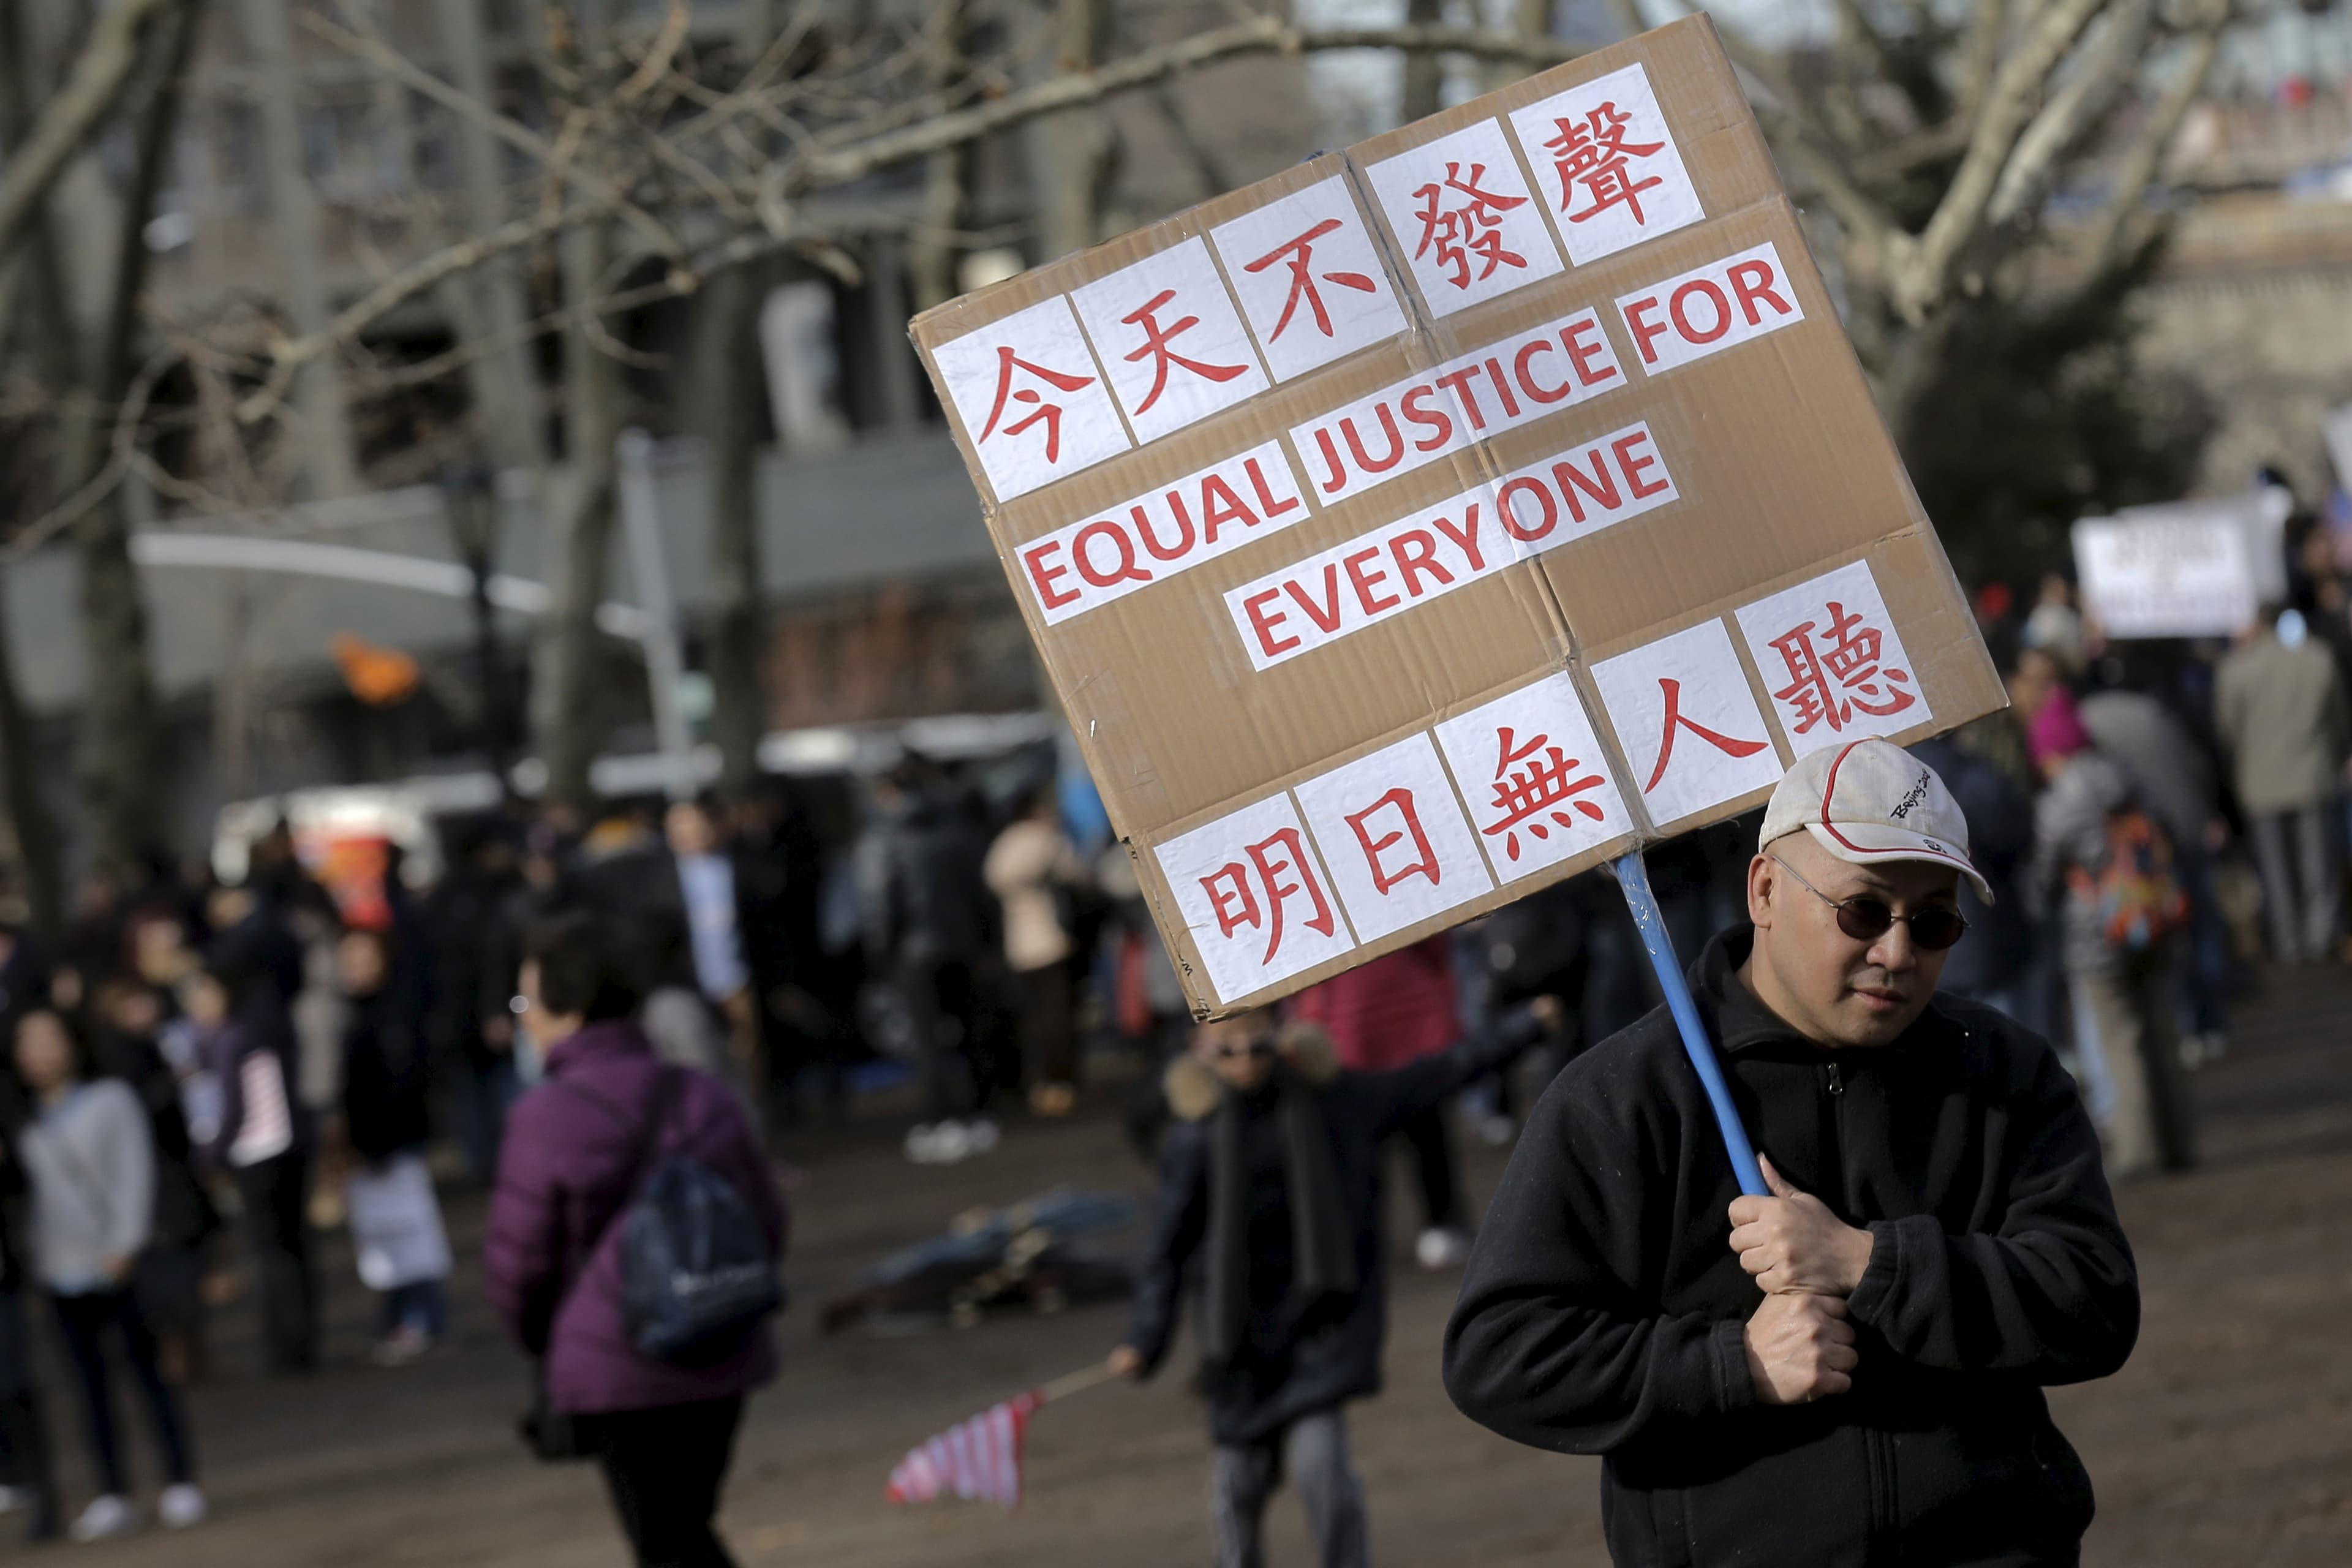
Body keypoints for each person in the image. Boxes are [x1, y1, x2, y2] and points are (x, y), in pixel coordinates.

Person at [1444, 738, 2139, 1567]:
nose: (1897, 953)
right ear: (1766, 889)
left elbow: (2093, 1304)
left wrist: (1873, 1263)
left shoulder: (2004, 1070)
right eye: (1864, 911)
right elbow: (1502, 1351)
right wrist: (1735, 1368)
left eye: (1934, 921)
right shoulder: (1625, 1097)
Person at [1106, 992, 1561, 1568]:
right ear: (1202, 1054)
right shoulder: (1194, 1138)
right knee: (1239, 1485)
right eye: (1229, 1052)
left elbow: (1438, 1073)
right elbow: (1166, 1250)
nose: (1245, 1061)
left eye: (1258, 1046)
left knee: (1323, 1470)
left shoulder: (1335, 1102)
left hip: (1318, 1326)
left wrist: (1525, 1025)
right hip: (1238, 1341)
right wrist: (1144, 1341)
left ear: (1283, 1037)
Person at [485, 913, 786, 1568]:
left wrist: (549, 1340)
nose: (523, 1019)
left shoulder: (545, 1116)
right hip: (721, 1341)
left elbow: (521, 1263)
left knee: (668, 1538)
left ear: (565, 1008)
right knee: (685, 1525)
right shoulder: (701, 1094)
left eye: (525, 1001)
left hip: (617, 1362)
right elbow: (765, 1219)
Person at [13, 1009, 205, 1541]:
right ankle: (111, 1492)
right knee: (86, 1389)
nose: (39, 1052)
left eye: (48, 1039)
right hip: (59, 1270)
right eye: (28, 1042)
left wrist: (124, 1244)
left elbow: (134, 1173)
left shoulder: (111, 1100)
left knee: (148, 1376)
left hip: (118, 1264)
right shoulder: (21, 1119)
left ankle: (179, 1480)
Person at [2029, 692, 2198, 1178]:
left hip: (2097, 934)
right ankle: (2181, 1138)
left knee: (2121, 1039)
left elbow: (2044, 876)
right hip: (2153, 917)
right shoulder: (2126, 777)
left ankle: (2140, 1149)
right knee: (2164, 1031)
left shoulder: (2059, 802)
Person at [1286, 937, 1476, 1270]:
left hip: (1368, 1026)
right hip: (1380, 1024)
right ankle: (1437, 1224)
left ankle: (1429, 1226)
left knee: (1411, 1136)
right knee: (1420, 1136)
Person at [854, 761, 1002, 1164]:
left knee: (926, 1042)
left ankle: (939, 1120)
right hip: (964, 947)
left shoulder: (883, 840)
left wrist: (881, 958)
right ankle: (979, 1114)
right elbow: (982, 895)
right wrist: (987, 943)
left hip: (913, 957)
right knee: (971, 1031)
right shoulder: (958, 831)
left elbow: (881, 906)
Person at [186, 956, 320, 1374]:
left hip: (255, 1157)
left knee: (270, 1254)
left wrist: (212, 1154)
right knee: (295, 1249)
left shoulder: (230, 1037)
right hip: (288, 1149)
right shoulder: (263, 1026)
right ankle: (301, 1339)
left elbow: (231, 1106)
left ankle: (286, 1346)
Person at [87, 978, 218, 1385]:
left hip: (175, 1175)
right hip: (154, 1183)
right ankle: (176, 1362)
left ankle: (193, 1359)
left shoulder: (153, 1047)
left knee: (186, 1268)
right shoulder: (117, 1057)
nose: (145, 1011)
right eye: (134, 1004)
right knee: (169, 1278)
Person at [335, 927, 451, 1365]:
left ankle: (420, 1317)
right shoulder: (355, 1013)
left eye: (364, 958)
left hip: (392, 1143)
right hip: (373, 1147)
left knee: (411, 1233)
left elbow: (404, 1084)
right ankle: (403, 1316)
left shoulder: (397, 1014)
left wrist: (379, 1142)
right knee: (385, 1238)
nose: (356, 968)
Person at [2215, 605, 2350, 964]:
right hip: (2312, 774)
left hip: (2261, 781)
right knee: (2317, 863)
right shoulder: (2317, 658)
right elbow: (2338, 718)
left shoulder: (2237, 669)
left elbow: (2227, 731)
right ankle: (2322, 934)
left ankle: (2289, 939)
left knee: (2275, 870)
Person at [982, 786, 1091, 1118]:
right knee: (1058, 1016)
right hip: (1051, 942)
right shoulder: (1045, 839)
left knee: (1034, 1019)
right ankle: (1061, 1084)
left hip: (1020, 947)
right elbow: (1078, 876)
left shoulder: (1006, 842)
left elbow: (992, 878)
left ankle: (1041, 1084)